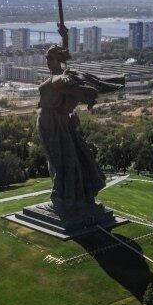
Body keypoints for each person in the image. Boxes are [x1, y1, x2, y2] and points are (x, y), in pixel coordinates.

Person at [37, 38, 123, 218]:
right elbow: (61, 81)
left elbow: (63, 80)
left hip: (59, 122)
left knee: (76, 158)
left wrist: (67, 78)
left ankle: (76, 197)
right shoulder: (58, 78)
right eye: (47, 59)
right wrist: (65, 38)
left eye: (50, 59)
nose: (47, 62)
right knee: (59, 162)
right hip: (49, 124)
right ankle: (63, 198)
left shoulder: (61, 78)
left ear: (58, 60)